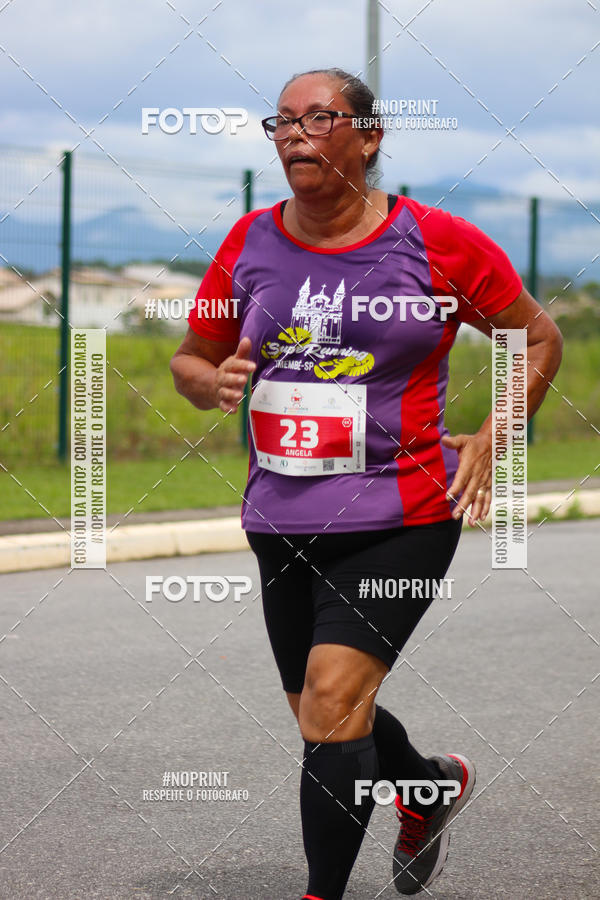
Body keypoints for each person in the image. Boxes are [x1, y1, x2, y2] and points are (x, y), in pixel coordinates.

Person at [170, 68, 563, 899]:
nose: (295, 135)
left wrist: (497, 436)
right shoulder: (248, 242)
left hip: (404, 511)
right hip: (278, 514)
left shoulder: (439, 242)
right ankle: (428, 785)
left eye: (318, 118)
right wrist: (207, 384)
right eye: (281, 122)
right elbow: (192, 357)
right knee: (325, 716)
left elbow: (535, 338)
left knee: (330, 699)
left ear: (369, 136)